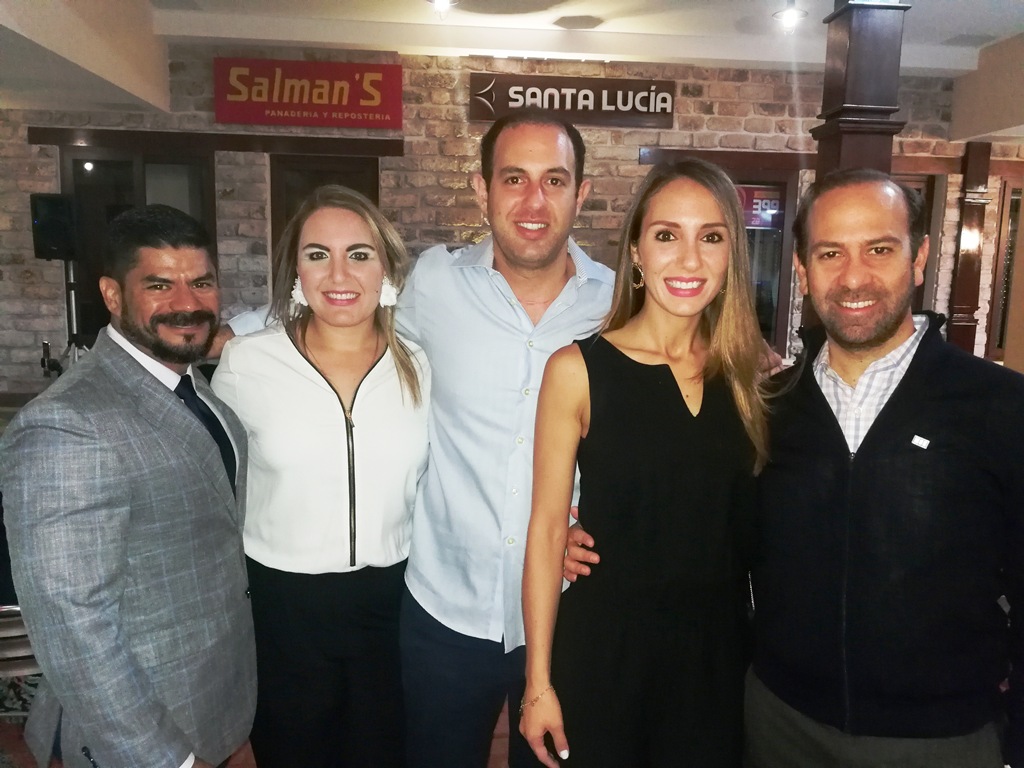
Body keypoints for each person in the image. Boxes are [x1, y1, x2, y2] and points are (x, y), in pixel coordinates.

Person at [568, 168, 1024, 768]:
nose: (854, 276)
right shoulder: (767, 405)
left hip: (942, 740)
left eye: (879, 249)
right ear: (803, 272)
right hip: (780, 726)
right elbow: (707, 513)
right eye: (831, 253)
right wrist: (593, 535)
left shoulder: (1000, 406)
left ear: (918, 259)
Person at [520, 159, 768, 767]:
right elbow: (547, 530)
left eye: (711, 237)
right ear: (635, 250)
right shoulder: (576, 370)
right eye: (666, 235)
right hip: (605, 654)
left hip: (718, 662)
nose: (689, 260)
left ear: (731, 256)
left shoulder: (753, 379)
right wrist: (538, 683)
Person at [396, 109, 615, 767]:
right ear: (482, 188)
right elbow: (350, 324)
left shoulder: (617, 305)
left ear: (581, 193)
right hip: (443, 606)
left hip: (566, 614)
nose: (533, 201)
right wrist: (242, 329)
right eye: (514, 178)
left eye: (555, 180)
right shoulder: (435, 282)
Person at [0, 205, 256, 768]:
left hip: (215, 701)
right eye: (159, 285)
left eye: (201, 282)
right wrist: (166, 759)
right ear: (112, 295)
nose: (187, 302)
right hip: (141, 734)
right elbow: (72, 623)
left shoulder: (193, 386)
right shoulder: (66, 424)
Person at [211, 185, 429, 768]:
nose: (339, 274)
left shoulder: (419, 364)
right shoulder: (246, 362)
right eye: (317, 255)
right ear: (296, 271)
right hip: (282, 609)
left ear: (386, 268)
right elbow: (217, 494)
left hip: (392, 605)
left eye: (359, 254)